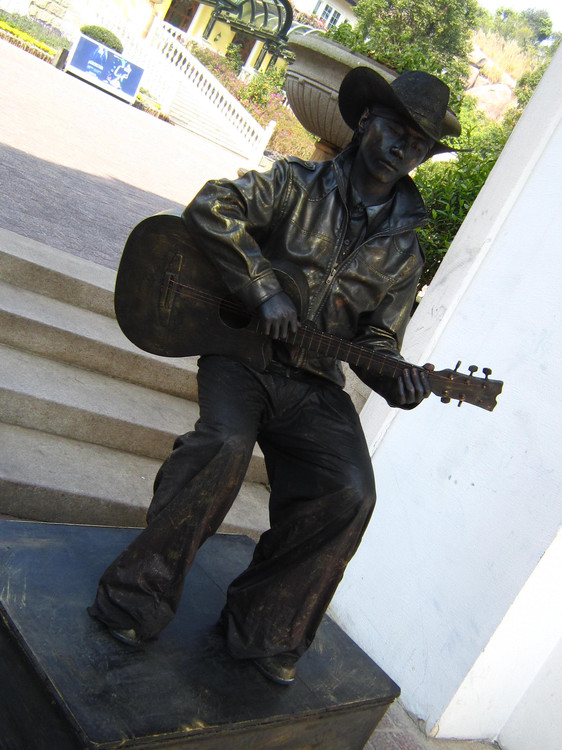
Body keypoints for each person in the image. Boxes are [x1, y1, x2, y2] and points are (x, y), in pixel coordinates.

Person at [88, 67, 461, 685]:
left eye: (419, 143)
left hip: (314, 382)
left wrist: (398, 379)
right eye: (398, 128)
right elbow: (212, 206)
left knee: (350, 491)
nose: (404, 148)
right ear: (366, 120)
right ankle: (135, 598)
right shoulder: (294, 183)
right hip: (242, 358)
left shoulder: (405, 251)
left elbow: (377, 339)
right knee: (222, 447)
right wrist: (262, 289)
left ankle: (264, 628)